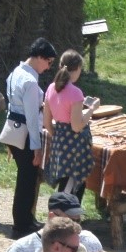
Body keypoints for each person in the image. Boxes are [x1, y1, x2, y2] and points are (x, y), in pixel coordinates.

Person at [2, 38, 58, 236]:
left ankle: (25, 219)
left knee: (25, 179)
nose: (49, 67)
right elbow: (32, 119)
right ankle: (21, 226)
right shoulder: (30, 82)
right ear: (40, 57)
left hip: (14, 129)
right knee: (26, 180)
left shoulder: (15, 73)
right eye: (49, 62)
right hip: (25, 132)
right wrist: (37, 147)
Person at [42, 50, 97, 200]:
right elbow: (76, 126)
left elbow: (46, 122)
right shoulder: (76, 93)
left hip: (60, 140)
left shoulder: (51, 88)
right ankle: (67, 217)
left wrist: (59, 135)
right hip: (76, 145)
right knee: (72, 185)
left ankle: (63, 216)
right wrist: (91, 109)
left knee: (65, 182)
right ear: (78, 68)